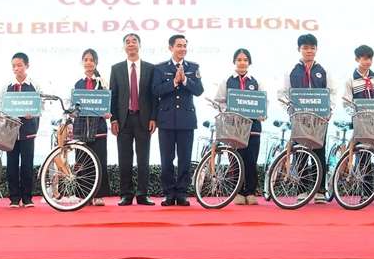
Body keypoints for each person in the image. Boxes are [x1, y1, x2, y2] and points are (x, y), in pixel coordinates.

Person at [279, 33, 332, 204]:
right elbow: (283, 94)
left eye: (312, 48)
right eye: (305, 48)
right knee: (300, 152)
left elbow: (332, 92)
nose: (309, 51)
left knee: (319, 152)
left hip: (319, 119)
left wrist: (329, 111)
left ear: (317, 49)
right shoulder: (291, 71)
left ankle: (320, 191)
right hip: (299, 119)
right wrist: (290, 110)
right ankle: (301, 190)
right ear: (299, 49)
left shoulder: (323, 70)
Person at [151, 34, 204, 206]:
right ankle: (168, 193)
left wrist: (185, 80)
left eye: (184, 45)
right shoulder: (160, 68)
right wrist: (174, 82)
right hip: (166, 119)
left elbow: (199, 90)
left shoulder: (193, 67)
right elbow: (155, 91)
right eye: (179, 45)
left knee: (184, 159)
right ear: (170, 48)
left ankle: (181, 193)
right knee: (166, 159)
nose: (182, 49)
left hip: (186, 120)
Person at [109, 33, 157, 206]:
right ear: (124, 47)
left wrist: (153, 117)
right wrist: (113, 119)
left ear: (139, 45)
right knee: (124, 158)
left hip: (144, 119)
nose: (131, 44)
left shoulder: (150, 68)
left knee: (143, 158)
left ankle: (143, 194)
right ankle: (126, 194)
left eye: (134, 41)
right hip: (124, 120)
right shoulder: (116, 69)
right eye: (127, 42)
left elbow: (154, 96)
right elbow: (113, 96)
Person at [342, 45, 374, 204]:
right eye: (364, 58)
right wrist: (355, 114)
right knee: (363, 158)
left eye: (370, 58)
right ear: (357, 59)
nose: (367, 61)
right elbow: (346, 102)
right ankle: (366, 193)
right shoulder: (350, 80)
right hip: (361, 124)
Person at [214, 48, 263, 205]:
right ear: (234, 62)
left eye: (245, 60)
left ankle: (250, 192)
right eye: (239, 60)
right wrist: (227, 111)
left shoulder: (256, 81)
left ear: (249, 62)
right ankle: (238, 192)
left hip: (253, 127)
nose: (242, 63)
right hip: (233, 128)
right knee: (235, 160)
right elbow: (218, 101)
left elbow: (263, 102)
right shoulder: (227, 81)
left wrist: (261, 113)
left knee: (251, 160)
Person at [1, 52, 42, 208]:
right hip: (10, 131)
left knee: (27, 164)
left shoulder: (34, 85)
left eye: (19, 65)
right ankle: (14, 198)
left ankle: (27, 198)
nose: (16, 68)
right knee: (11, 165)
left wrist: (34, 112)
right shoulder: (7, 86)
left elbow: (41, 105)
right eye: (14, 66)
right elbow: (0, 105)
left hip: (28, 130)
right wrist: (5, 113)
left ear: (27, 66)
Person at [72, 49, 111, 206]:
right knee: (82, 160)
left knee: (99, 160)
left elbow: (108, 103)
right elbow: (74, 105)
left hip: (98, 127)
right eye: (86, 59)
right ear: (82, 62)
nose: (88, 62)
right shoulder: (78, 83)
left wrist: (108, 113)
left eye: (91, 60)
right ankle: (83, 195)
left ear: (96, 62)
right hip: (81, 127)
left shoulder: (102, 82)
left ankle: (98, 195)